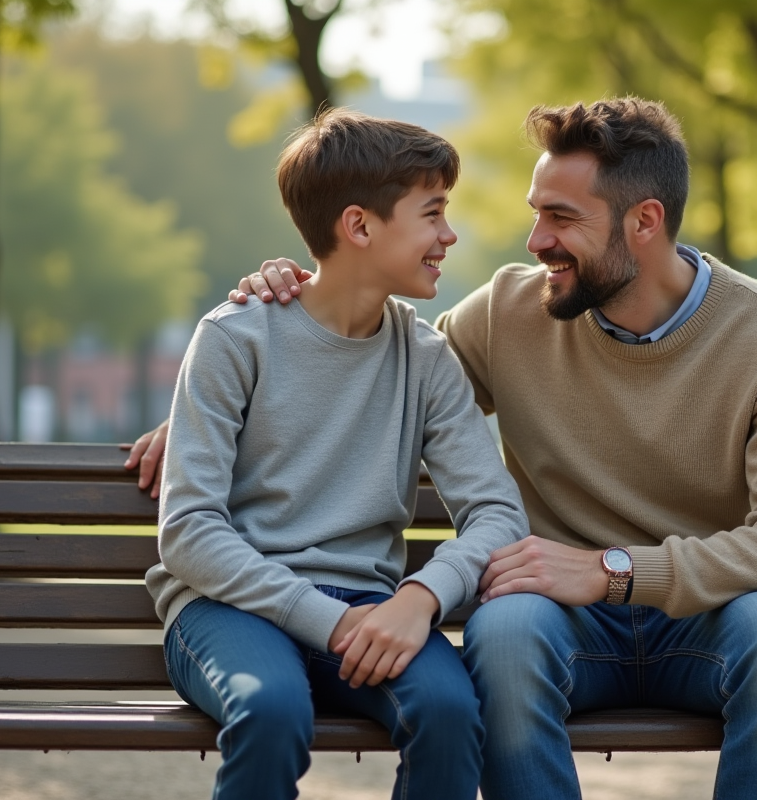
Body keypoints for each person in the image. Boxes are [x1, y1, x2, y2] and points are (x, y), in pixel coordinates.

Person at [128, 97, 757, 800]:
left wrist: (610, 570)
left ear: (645, 222)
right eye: (536, 213)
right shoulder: (503, 316)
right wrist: (199, 421)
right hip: (553, 619)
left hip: (710, 615)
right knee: (502, 634)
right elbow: (341, 356)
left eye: (561, 218)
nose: (534, 242)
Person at [143, 108, 529, 800]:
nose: (449, 234)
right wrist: (330, 620)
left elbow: (497, 512)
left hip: (372, 605)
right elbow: (189, 532)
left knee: (448, 712)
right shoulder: (236, 338)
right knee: (270, 709)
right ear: (359, 226)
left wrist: (420, 597)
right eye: (432, 213)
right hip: (231, 606)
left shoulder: (428, 359)